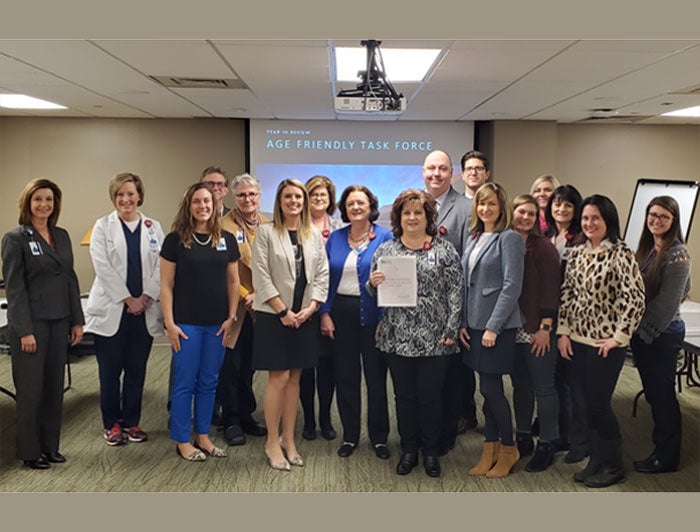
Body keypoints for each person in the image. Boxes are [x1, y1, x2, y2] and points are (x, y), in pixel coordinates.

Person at [368, 189, 463, 478]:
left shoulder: (444, 249)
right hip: (398, 337)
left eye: (418, 212)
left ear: (427, 217)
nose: (412, 217)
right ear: (398, 217)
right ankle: (409, 448)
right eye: (406, 213)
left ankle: (431, 451)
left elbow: (456, 292)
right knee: (404, 396)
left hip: (436, 338)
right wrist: (373, 283)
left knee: (431, 396)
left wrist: (451, 328)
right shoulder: (387, 250)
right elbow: (374, 292)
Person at [557, 194, 645, 488]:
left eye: (596, 218)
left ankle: (613, 463)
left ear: (608, 220)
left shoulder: (621, 253)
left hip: (605, 345)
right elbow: (568, 293)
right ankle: (596, 458)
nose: (590, 223)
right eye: (585, 218)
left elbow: (635, 299)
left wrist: (619, 337)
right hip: (576, 342)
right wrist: (564, 332)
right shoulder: (578, 251)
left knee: (598, 404)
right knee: (583, 404)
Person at [1, 178, 84, 469]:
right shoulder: (16, 238)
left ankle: (50, 447)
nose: (44, 205)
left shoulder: (60, 235)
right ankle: (30, 452)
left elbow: (70, 279)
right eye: (38, 199)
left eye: (49, 199)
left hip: (59, 321)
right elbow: (14, 289)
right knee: (31, 391)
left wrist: (77, 320)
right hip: (31, 327)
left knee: (53, 388)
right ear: (27, 203)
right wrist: (24, 330)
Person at [251, 178, 329, 471]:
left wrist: (309, 309)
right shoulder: (266, 232)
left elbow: (321, 276)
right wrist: (283, 310)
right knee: (279, 378)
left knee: (295, 378)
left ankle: (288, 439)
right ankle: (272, 441)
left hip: (304, 317)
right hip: (275, 317)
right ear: (279, 201)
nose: (294, 201)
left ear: (304, 201)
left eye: (298, 196)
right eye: (288, 196)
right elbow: (261, 275)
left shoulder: (313, 235)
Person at [160, 182, 240, 462]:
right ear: (189, 206)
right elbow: (166, 285)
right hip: (186, 326)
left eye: (208, 201)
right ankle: (182, 440)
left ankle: (203, 436)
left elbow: (233, 280)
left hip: (218, 325)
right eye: (197, 201)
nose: (203, 206)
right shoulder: (175, 240)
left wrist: (232, 316)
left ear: (215, 204)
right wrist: (170, 323)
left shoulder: (227, 239)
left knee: (209, 382)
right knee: (185, 383)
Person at [84, 172, 165, 446]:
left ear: (139, 195)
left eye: (130, 193)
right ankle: (112, 424)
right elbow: (102, 268)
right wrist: (128, 299)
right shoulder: (102, 226)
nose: (126, 199)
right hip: (113, 310)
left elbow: (161, 267)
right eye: (120, 194)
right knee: (109, 372)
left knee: (136, 370)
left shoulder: (154, 227)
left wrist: (145, 297)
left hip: (143, 311)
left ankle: (131, 422)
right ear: (114, 197)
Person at [320, 185, 393, 460]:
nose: (356, 207)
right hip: (341, 314)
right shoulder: (336, 238)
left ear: (370, 205)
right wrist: (324, 313)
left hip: (375, 315)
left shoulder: (385, 237)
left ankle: (379, 437)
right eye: (350, 203)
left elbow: (393, 282)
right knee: (346, 377)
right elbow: (324, 279)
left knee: (376, 379)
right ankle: (350, 435)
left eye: (361, 202)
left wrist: (385, 318)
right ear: (345, 208)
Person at [460, 182, 525, 479]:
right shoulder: (475, 237)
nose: (485, 208)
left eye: (492, 204)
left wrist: (493, 327)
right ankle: (491, 449)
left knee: (491, 389)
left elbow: (512, 287)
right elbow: (467, 285)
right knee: (486, 391)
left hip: (495, 328)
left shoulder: (509, 238)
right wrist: (463, 322)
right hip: (473, 325)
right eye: (481, 204)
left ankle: (509, 449)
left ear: (502, 208)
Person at [422, 149, 476, 456]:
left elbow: (468, 266)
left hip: (451, 309)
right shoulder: (413, 204)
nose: (436, 174)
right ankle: (425, 430)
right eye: (431, 168)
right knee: (424, 380)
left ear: (451, 172)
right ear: (423, 171)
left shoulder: (467, 208)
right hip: (419, 311)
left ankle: (446, 435)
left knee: (450, 377)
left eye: (442, 169)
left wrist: (461, 317)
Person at [631, 196, 691, 474]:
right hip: (644, 332)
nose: (656, 220)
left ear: (673, 221)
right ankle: (662, 449)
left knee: (662, 396)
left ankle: (667, 457)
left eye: (663, 217)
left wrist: (634, 325)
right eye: (653, 215)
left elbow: (667, 304)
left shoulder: (677, 253)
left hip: (662, 334)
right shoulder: (647, 248)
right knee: (655, 395)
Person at [509, 195, 561, 472]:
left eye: (531, 213)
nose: (525, 217)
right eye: (521, 212)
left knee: (543, 387)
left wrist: (545, 328)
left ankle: (548, 444)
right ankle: (524, 436)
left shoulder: (543, 248)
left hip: (537, 329)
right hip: (513, 329)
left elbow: (552, 291)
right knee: (521, 386)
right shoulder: (507, 241)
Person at [216, 173, 268, 446]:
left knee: (250, 366)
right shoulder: (221, 225)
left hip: (265, 307)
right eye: (242, 195)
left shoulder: (271, 222)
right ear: (233, 198)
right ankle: (231, 419)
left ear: (260, 196)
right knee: (231, 367)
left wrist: (263, 295)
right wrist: (248, 295)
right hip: (236, 307)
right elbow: (224, 269)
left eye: (252, 194)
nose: (247, 199)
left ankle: (247, 415)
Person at [543, 184, 588, 463]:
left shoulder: (580, 238)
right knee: (556, 379)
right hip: (549, 313)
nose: (561, 209)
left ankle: (579, 440)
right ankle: (560, 433)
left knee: (574, 382)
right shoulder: (546, 235)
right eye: (557, 204)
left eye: (568, 205)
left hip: (572, 317)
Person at [300, 175, 344, 441]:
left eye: (323, 195)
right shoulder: (298, 225)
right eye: (314, 194)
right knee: (306, 366)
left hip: (333, 305)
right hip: (304, 305)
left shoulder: (340, 227)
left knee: (328, 367)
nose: (318, 198)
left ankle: (325, 418)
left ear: (330, 200)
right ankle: (307, 420)